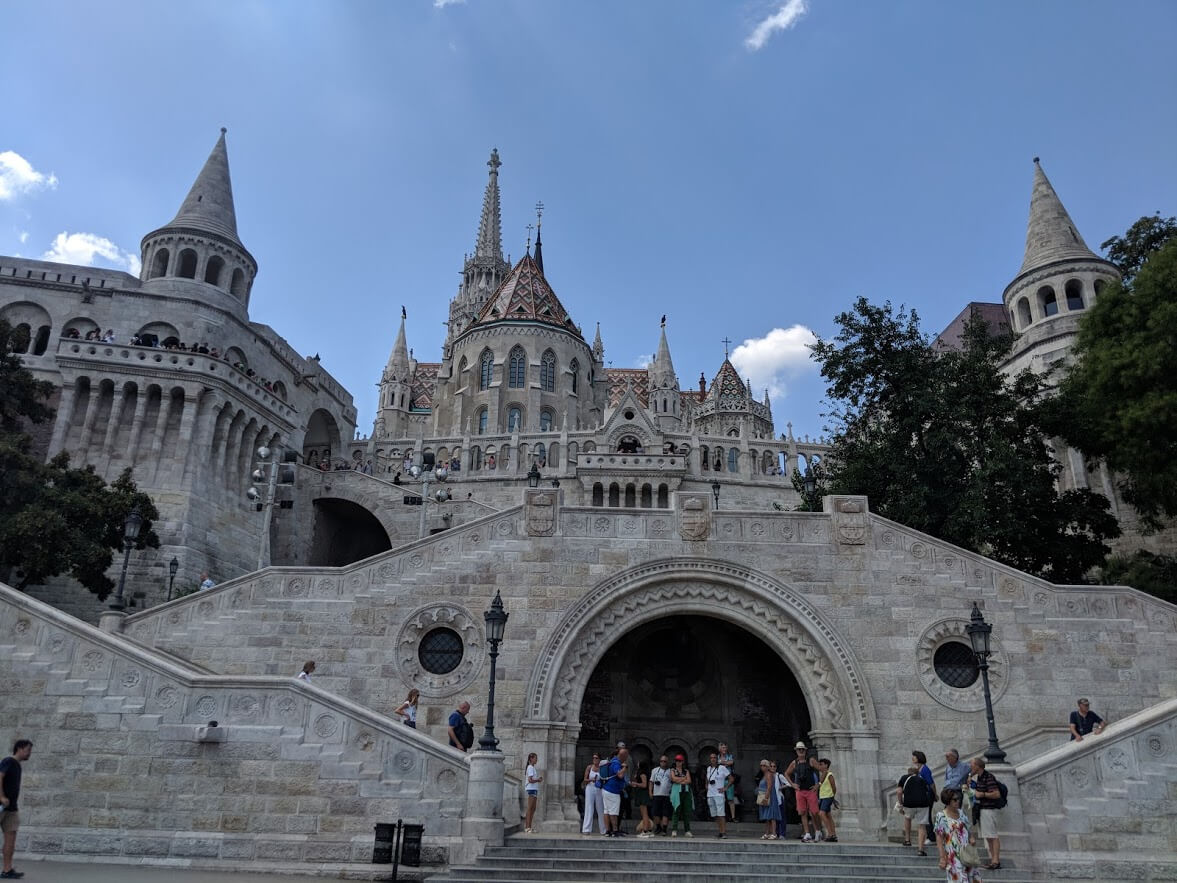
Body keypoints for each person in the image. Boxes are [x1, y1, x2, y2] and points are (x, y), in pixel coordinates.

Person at [0, 739, 33, 880]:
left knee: (11, 840)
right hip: (1, 807)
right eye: (28, 750)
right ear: (19, 749)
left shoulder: (18, 765)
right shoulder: (8, 761)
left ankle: (7, 870)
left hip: (12, 809)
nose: (29, 753)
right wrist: (1, 796)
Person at [935, 787, 981, 882]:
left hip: (967, 852)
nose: (958, 801)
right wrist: (942, 857)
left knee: (972, 878)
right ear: (948, 801)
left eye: (958, 799)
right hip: (953, 856)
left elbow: (968, 828)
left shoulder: (961, 813)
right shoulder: (941, 816)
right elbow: (939, 838)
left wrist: (971, 837)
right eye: (955, 800)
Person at [968, 756, 1003, 870]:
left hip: (989, 810)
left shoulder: (988, 777)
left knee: (992, 835)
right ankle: (993, 859)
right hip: (982, 810)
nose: (970, 767)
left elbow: (996, 794)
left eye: (972, 765)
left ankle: (996, 860)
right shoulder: (979, 777)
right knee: (988, 836)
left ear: (977, 766)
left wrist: (982, 794)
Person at [786, 741, 820, 842]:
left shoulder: (811, 761)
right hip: (800, 790)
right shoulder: (794, 763)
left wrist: (818, 785)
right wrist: (792, 784)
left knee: (814, 812)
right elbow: (786, 773)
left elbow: (823, 770)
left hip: (810, 790)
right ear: (796, 751)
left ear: (805, 751)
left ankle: (818, 831)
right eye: (799, 750)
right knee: (802, 812)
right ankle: (807, 833)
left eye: (802, 750)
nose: (801, 751)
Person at [898, 763, 933, 855]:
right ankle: (920, 850)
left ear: (908, 772)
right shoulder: (922, 779)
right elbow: (927, 790)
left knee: (907, 818)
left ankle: (907, 840)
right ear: (917, 772)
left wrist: (901, 803)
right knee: (922, 825)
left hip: (909, 803)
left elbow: (899, 791)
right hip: (923, 803)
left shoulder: (904, 778)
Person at [601, 747, 628, 837]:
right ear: (622, 755)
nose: (627, 757)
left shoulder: (612, 761)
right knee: (613, 811)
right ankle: (615, 830)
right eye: (626, 755)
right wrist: (624, 768)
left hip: (606, 789)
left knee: (607, 811)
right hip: (612, 791)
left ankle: (608, 831)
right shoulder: (616, 763)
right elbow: (619, 775)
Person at [704, 751, 731, 838]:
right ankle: (720, 831)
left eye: (714, 758)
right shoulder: (708, 768)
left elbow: (731, 778)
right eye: (711, 758)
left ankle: (724, 833)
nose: (713, 759)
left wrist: (725, 788)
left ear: (717, 759)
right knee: (715, 815)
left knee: (721, 814)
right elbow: (707, 778)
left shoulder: (722, 768)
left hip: (719, 794)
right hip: (710, 794)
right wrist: (706, 785)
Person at [669, 754, 693, 837]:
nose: (678, 762)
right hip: (676, 792)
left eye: (679, 761)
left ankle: (687, 830)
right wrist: (683, 779)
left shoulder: (686, 771)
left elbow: (689, 780)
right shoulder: (673, 770)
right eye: (676, 760)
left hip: (685, 792)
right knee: (676, 810)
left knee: (686, 812)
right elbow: (673, 779)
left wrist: (678, 779)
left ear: (682, 762)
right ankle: (674, 829)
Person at [756, 759, 781, 840]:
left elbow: (769, 787)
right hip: (764, 795)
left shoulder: (769, 774)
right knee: (767, 817)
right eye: (761, 765)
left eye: (764, 765)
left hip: (770, 796)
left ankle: (774, 833)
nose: (762, 767)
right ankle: (767, 833)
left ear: (767, 767)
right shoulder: (764, 775)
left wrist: (766, 798)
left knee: (772, 815)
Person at [581, 753, 606, 835]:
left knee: (600, 808)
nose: (594, 759)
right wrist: (591, 780)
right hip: (590, 788)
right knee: (589, 807)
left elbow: (605, 779)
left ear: (599, 759)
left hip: (599, 789)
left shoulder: (602, 768)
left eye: (596, 758)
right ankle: (586, 829)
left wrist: (600, 781)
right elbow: (585, 779)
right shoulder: (589, 767)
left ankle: (603, 830)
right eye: (593, 758)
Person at [649, 754, 672, 836]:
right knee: (655, 812)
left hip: (666, 795)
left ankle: (664, 829)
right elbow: (651, 782)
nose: (663, 763)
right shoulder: (655, 770)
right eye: (661, 761)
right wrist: (650, 792)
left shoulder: (670, 771)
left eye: (665, 761)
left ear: (667, 762)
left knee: (666, 813)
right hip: (656, 794)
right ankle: (658, 827)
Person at [816, 757, 838, 842]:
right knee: (828, 815)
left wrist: (832, 797)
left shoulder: (829, 775)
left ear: (826, 765)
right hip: (823, 797)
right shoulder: (823, 775)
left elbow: (833, 787)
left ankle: (830, 834)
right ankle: (833, 834)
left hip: (828, 797)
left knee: (821, 813)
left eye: (821, 764)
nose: (820, 766)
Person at [631, 762, 653, 837]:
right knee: (644, 813)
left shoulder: (642, 773)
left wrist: (636, 784)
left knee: (644, 813)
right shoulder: (643, 773)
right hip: (641, 794)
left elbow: (644, 784)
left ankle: (645, 830)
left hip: (643, 794)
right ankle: (648, 829)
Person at [524, 753, 543, 833]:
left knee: (533, 808)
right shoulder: (530, 767)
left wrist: (537, 779)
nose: (536, 760)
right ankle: (527, 827)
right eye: (535, 758)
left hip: (534, 789)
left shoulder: (532, 768)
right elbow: (530, 780)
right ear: (531, 758)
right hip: (531, 789)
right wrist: (538, 780)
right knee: (530, 808)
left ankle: (530, 827)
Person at [718, 742, 737, 822]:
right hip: (720, 780)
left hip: (729, 780)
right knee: (720, 799)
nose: (724, 749)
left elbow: (731, 762)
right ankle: (721, 817)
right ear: (719, 749)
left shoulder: (730, 756)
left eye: (725, 747)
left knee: (730, 799)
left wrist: (722, 763)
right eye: (722, 747)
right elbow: (717, 764)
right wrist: (725, 763)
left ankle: (733, 817)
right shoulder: (717, 756)